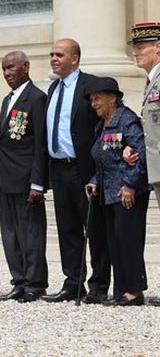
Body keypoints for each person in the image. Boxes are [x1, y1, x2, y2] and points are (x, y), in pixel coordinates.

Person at [41, 38, 110, 304]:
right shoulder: (53, 88)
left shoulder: (90, 85)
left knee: (94, 227)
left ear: (75, 59)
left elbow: (104, 122)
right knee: (67, 228)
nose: (54, 59)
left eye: (59, 54)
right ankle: (73, 283)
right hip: (58, 169)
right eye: (51, 55)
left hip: (84, 169)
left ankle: (99, 284)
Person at [85, 77, 149, 306]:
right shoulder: (100, 124)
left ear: (112, 98)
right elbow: (102, 159)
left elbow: (141, 154)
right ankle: (122, 290)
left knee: (128, 241)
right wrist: (94, 181)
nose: (94, 104)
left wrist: (130, 184)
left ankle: (134, 291)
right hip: (109, 193)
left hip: (127, 192)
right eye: (91, 99)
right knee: (116, 242)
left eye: (97, 98)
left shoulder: (127, 120)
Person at [0, 51, 48, 303]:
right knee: (11, 233)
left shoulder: (36, 98)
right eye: (4, 69)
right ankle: (19, 280)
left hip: (26, 180)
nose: (6, 73)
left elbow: (39, 145)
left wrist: (38, 182)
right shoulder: (8, 99)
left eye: (11, 68)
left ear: (25, 67)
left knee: (31, 234)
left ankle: (35, 283)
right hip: (5, 179)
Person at [124, 21, 160, 306]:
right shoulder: (150, 81)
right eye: (134, 47)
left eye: (141, 47)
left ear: (158, 47)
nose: (136, 53)